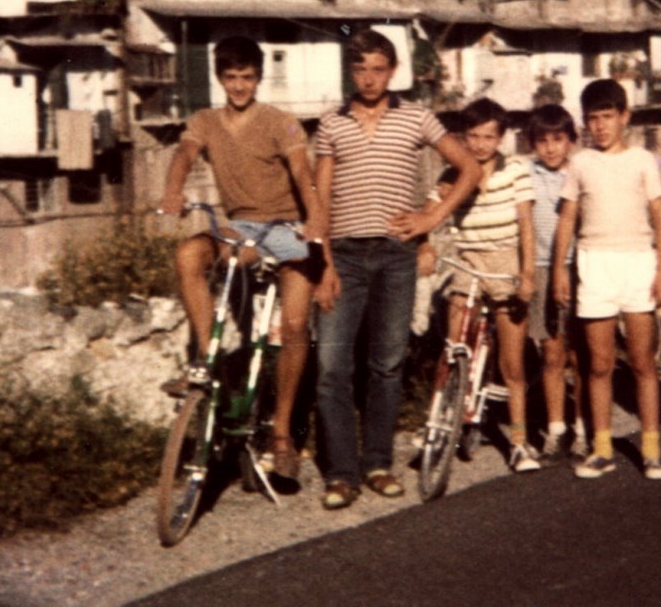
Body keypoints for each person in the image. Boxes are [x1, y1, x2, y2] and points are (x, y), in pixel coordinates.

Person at [314, 28, 482, 509]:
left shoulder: (416, 118)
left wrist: (431, 218)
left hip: (395, 255)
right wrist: (323, 261)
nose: (369, 78)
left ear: (392, 71)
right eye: (360, 68)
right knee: (331, 366)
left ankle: (378, 463)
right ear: (351, 72)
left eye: (378, 68)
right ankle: (341, 473)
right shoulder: (331, 123)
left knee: (386, 364)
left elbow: (468, 168)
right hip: (344, 253)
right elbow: (321, 198)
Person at [159, 36, 324, 482]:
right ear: (218, 78)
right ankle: (210, 360)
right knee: (189, 254)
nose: (238, 86)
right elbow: (184, 155)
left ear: (258, 77)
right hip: (241, 228)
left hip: (288, 228)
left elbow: (301, 173)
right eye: (230, 77)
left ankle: (284, 434)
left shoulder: (282, 122)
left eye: (247, 77)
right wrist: (173, 191)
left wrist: (315, 221)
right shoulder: (205, 120)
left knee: (292, 327)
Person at [552, 79, 661, 481]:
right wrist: (558, 271)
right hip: (594, 263)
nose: (600, 126)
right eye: (592, 119)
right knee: (599, 364)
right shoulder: (580, 162)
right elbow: (567, 218)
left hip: (638, 262)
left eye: (608, 117)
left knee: (641, 362)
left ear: (625, 117)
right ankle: (602, 448)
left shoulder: (643, 160)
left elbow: (660, 218)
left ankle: (651, 450)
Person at [422, 97, 540, 473]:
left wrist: (527, 274)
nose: (480, 144)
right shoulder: (451, 172)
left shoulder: (515, 169)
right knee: (453, 344)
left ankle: (519, 443)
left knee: (512, 362)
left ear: (501, 137)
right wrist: (424, 245)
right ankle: (438, 421)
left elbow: (525, 224)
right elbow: (429, 214)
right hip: (468, 261)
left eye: (489, 136)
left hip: (505, 261)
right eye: (473, 136)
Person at [524, 103, 585, 464]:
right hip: (542, 267)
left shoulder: (580, 170)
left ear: (571, 141)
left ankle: (582, 428)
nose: (550, 147)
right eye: (542, 140)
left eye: (558, 139)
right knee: (551, 352)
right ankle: (556, 428)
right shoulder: (524, 172)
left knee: (580, 352)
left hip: (579, 266)